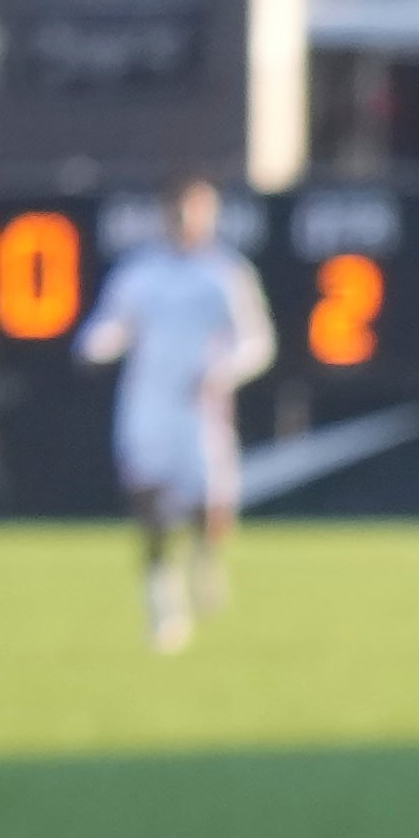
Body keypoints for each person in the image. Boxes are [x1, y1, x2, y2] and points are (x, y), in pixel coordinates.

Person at [76, 180, 278, 653]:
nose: (186, 222)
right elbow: (113, 323)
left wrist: (222, 371)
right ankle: (163, 601)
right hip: (148, 406)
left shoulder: (225, 274)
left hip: (200, 410)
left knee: (209, 504)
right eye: (178, 212)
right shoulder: (140, 274)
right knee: (148, 504)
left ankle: (207, 558)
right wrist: (97, 345)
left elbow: (257, 342)